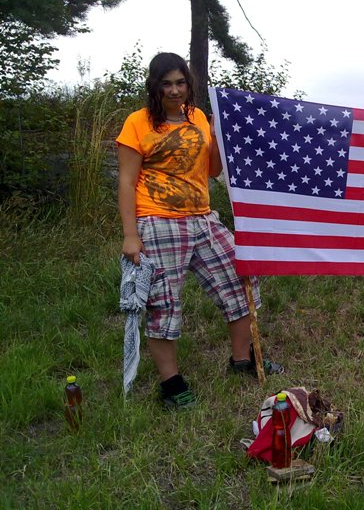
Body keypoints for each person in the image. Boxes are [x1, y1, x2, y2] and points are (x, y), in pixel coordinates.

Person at [116, 52, 283, 409]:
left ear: (189, 85)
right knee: (164, 301)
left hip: (202, 217)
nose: (175, 90)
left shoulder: (197, 118)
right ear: (155, 86)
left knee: (242, 276)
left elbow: (211, 170)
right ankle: (172, 383)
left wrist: (219, 137)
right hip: (158, 220)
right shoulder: (138, 123)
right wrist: (131, 235)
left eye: (181, 83)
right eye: (167, 84)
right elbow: (127, 181)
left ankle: (243, 359)